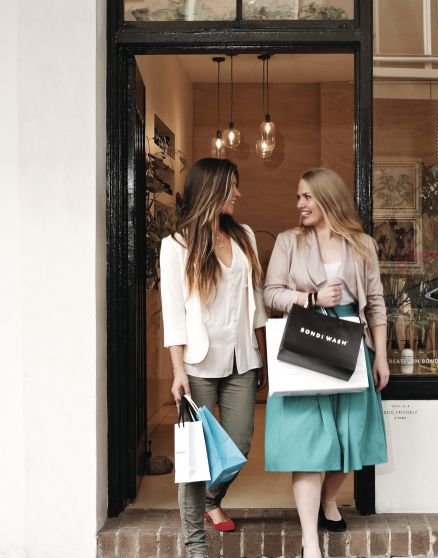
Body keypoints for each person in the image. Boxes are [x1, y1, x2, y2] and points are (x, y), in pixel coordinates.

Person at [263, 167, 389, 558]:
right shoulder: (288, 241)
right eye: (298, 197)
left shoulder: (362, 244)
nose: (299, 204)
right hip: (307, 342)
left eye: (306, 197)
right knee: (307, 444)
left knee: (349, 438)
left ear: (327, 199)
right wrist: (310, 299)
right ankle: (310, 542)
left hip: (353, 345)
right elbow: (270, 294)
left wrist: (380, 356)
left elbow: (378, 302)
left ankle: (328, 499)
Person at [159, 158, 268, 558]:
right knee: (196, 455)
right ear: (213, 189)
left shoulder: (245, 237)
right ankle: (194, 544)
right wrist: (177, 372)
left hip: (243, 358)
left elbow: (255, 300)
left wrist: (263, 352)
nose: (238, 194)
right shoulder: (176, 245)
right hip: (198, 365)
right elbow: (174, 315)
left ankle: (210, 499)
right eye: (232, 186)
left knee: (239, 441)